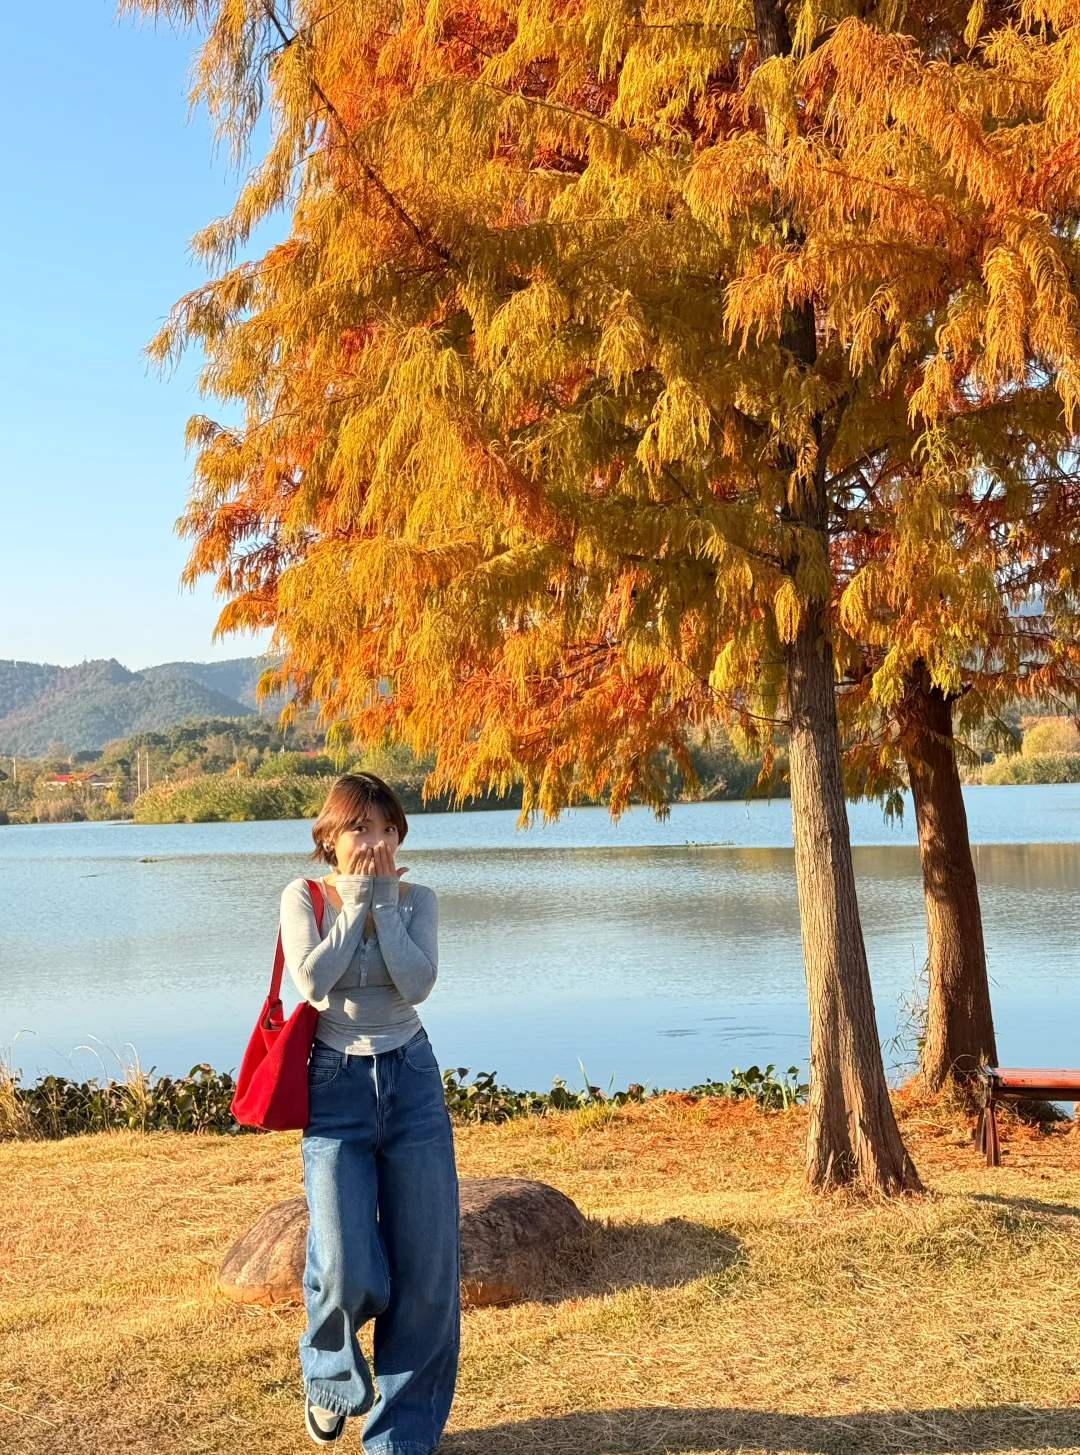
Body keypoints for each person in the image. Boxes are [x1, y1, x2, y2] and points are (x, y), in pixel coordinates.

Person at [279, 771, 460, 1451]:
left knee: (427, 1271)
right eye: (361, 828)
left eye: (388, 829)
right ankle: (329, 1378)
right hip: (336, 1086)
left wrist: (383, 905)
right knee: (345, 1260)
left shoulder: (419, 900)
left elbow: (418, 982)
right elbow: (312, 981)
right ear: (331, 836)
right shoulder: (303, 897)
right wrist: (356, 904)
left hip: (412, 1078)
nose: (376, 842)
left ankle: (399, 1439)